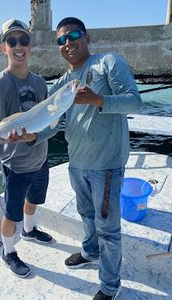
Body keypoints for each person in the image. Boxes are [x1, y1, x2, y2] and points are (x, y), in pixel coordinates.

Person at [36, 17, 142, 300]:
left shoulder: (108, 62)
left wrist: (98, 100)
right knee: (85, 214)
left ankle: (110, 286)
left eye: (72, 36)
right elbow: (50, 123)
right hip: (77, 163)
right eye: (61, 40)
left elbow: (134, 101)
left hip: (106, 164)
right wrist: (29, 136)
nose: (67, 43)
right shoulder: (62, 83)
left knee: (108, 228)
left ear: (87, 37)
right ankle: (89, 251)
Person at [0, 18, 53, 278]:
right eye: (12, 41)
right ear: (4, 48)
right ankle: (8, 252)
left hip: (41, 157)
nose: (18, 46)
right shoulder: (0, 84)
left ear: (30, 45)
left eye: (23, 40)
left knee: (34, 200)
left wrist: (35, 136)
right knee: (12, 212)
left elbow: (48, 119)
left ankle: (29, 230)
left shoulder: (39, 82)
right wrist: (5, 137)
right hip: (16, 165)